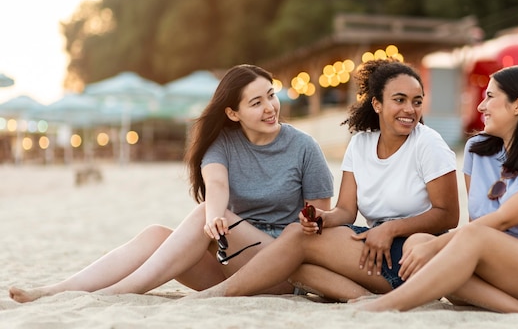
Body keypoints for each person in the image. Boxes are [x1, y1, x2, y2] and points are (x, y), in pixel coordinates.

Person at [8, 64, 335, 303]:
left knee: (204, 212)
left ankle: (120, 291)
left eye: (270, 96)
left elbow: (320, 222)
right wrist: (214, 218)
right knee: (155, 234)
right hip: (228, 264)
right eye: (256, 103)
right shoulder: (222, 143)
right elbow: (217, 184)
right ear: (233, 113)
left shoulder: (304, 147)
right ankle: (59, 289)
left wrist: (216, 216)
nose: (270, 108)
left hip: (281, 268)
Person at [186, 58, 460, 301]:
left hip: (417, 250)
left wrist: (391, 230)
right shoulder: (360, 144)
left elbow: (449, 216)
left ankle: (223, 292)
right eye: (399, 100)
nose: (410, 110)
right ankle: (363, 298)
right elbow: (345, 212)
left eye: (417, 101)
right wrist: (321, 218)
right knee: (295, 253)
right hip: (375, 244)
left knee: (295, 245)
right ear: (377, 103)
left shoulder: (428, 144)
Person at [356, 65, 518, 314]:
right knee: (417, 241)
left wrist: (435, 247)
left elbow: (500, 221)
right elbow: (476, 222)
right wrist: (428, 245)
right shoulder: (478, 150)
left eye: (490, 97)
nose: (480, 106)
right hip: (495, 264)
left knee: (451, 241)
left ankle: (389, 304)